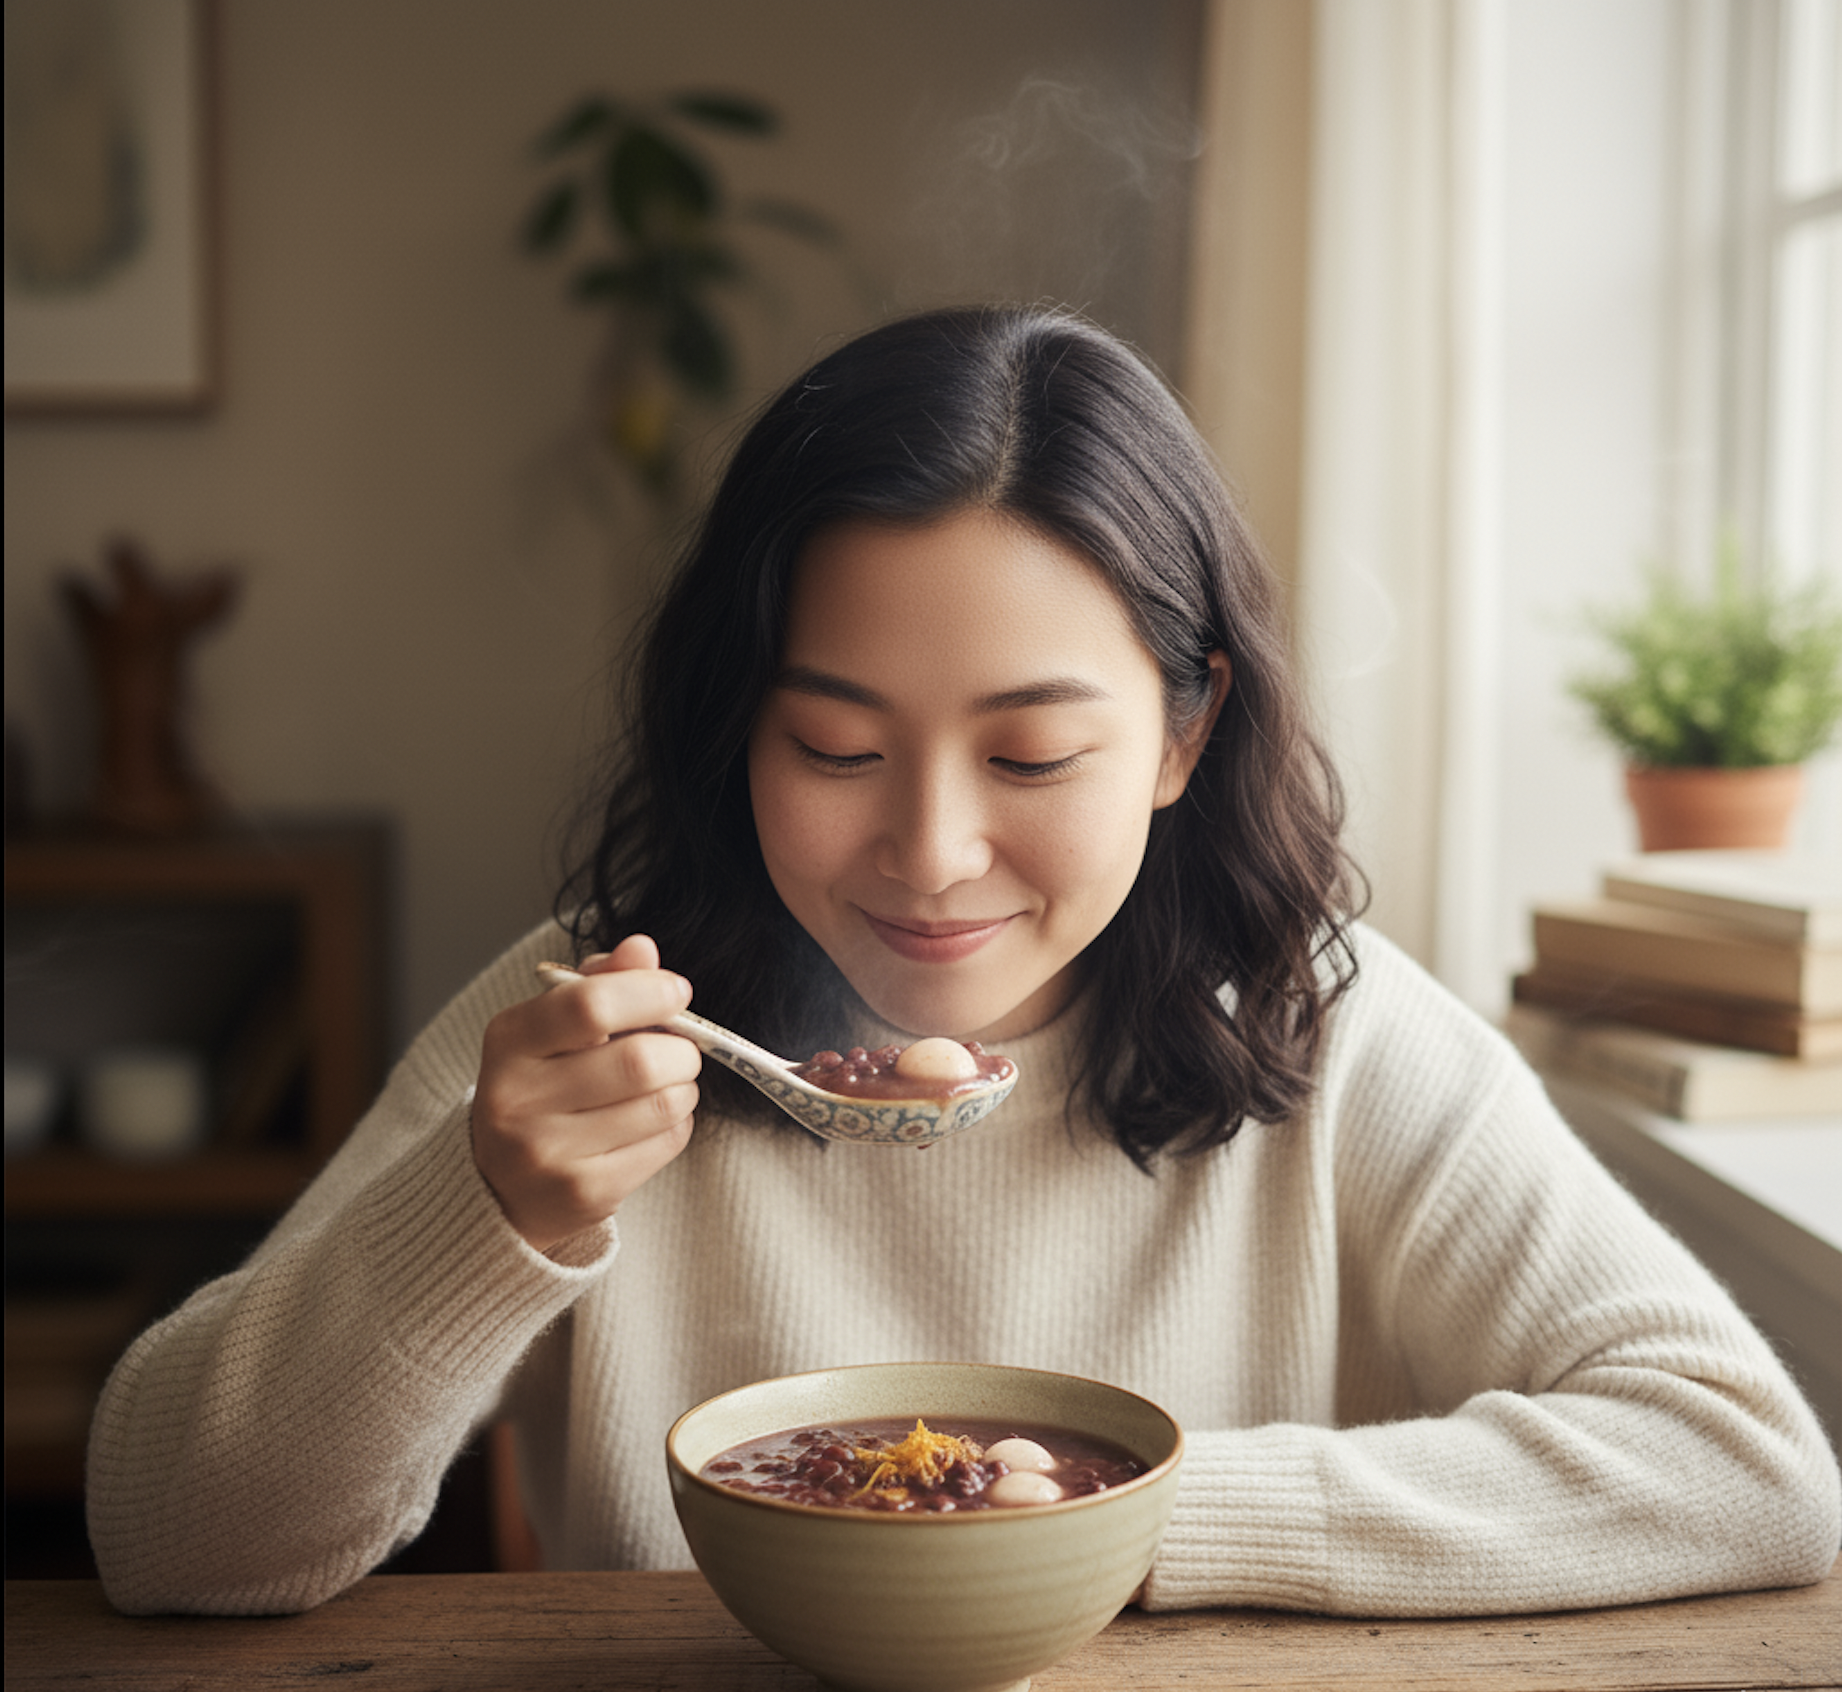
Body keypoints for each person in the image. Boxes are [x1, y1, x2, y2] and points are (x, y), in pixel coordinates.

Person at [88, 305, 1838, 1617]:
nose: (926, 854)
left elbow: (1746, 1470)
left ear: (1179, 734)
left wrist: (1122, 1521)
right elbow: (169, 1541)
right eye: (836, 750)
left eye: (1027, 757)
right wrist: (488, 1218)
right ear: (736, 731)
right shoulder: (598, 1020)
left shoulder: (1324, 1029)